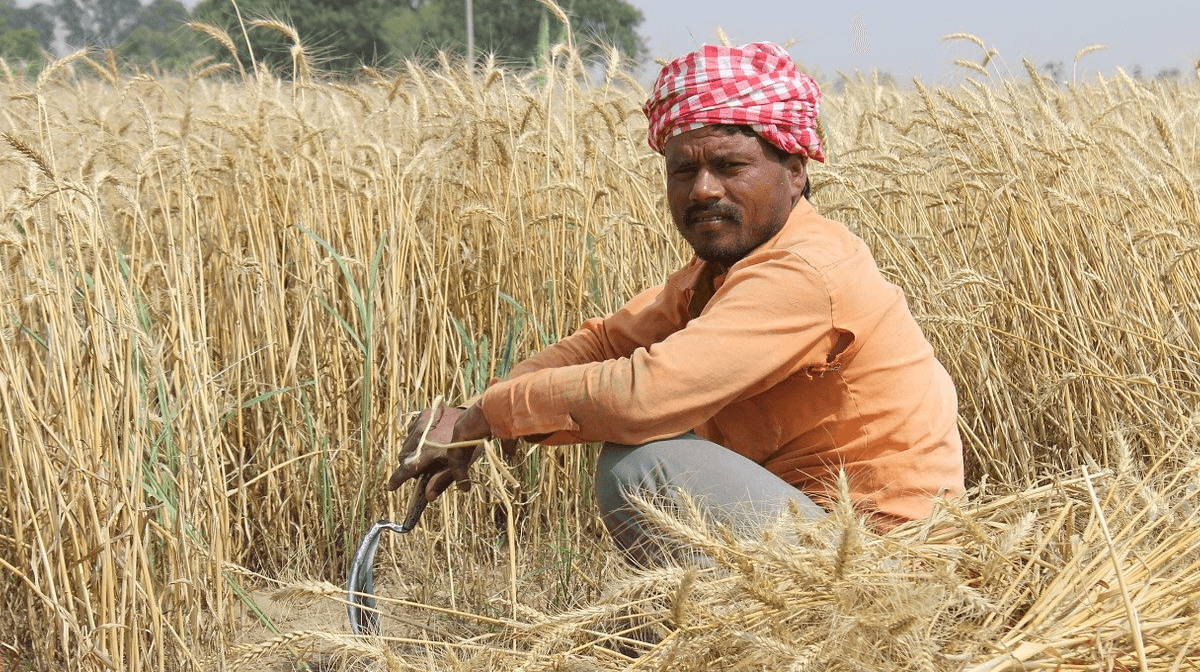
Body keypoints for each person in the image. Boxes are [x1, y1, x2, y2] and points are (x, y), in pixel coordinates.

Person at [387, 42, 964, 565]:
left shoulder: (806, 272)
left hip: (881, 558)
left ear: (794, 172)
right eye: (682, 170)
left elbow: (646, 397)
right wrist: (480, 411)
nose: (703, 189)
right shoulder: (720, 272)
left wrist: (485, 417)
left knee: (642, 467)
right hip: (824, 535)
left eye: (730, 166)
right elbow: (604, 342)